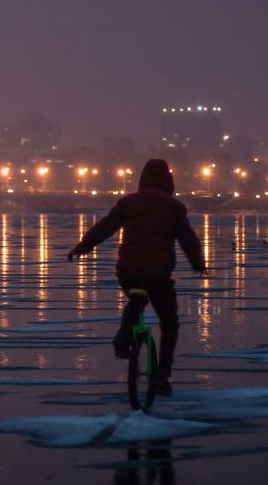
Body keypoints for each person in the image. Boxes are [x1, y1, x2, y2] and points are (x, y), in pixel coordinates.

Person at [67, 158, 208, 396]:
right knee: (169, 322)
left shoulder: (128, 203)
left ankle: (124, 333)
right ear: (168, 180)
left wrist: (81, 248)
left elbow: (104, 228)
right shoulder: (174, 207)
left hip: (128, 271)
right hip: (158, 274)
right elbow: (188, 240)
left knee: (136, 297)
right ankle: (162, 375)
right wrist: (199, 265)